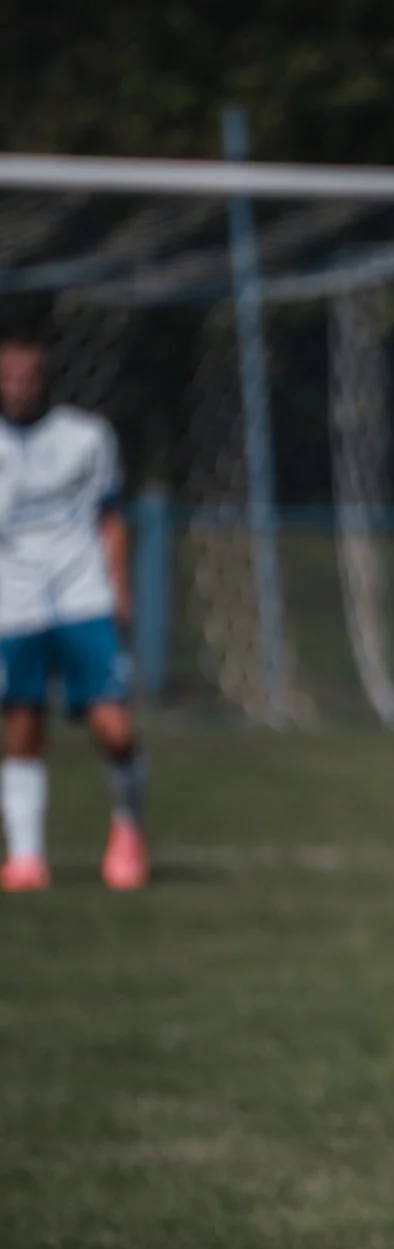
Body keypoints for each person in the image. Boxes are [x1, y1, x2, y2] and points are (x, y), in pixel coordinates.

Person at [0, 319, 149, 890]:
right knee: (23, 725)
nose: (18, 386)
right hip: (16, 606)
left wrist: (121, 592)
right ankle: (26, 856)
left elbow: (110, 519)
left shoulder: (86, 437)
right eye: (8, 377)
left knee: (113, 727)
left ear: (46, 378)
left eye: (28, 376)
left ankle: (129, 823)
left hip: (84, 598)